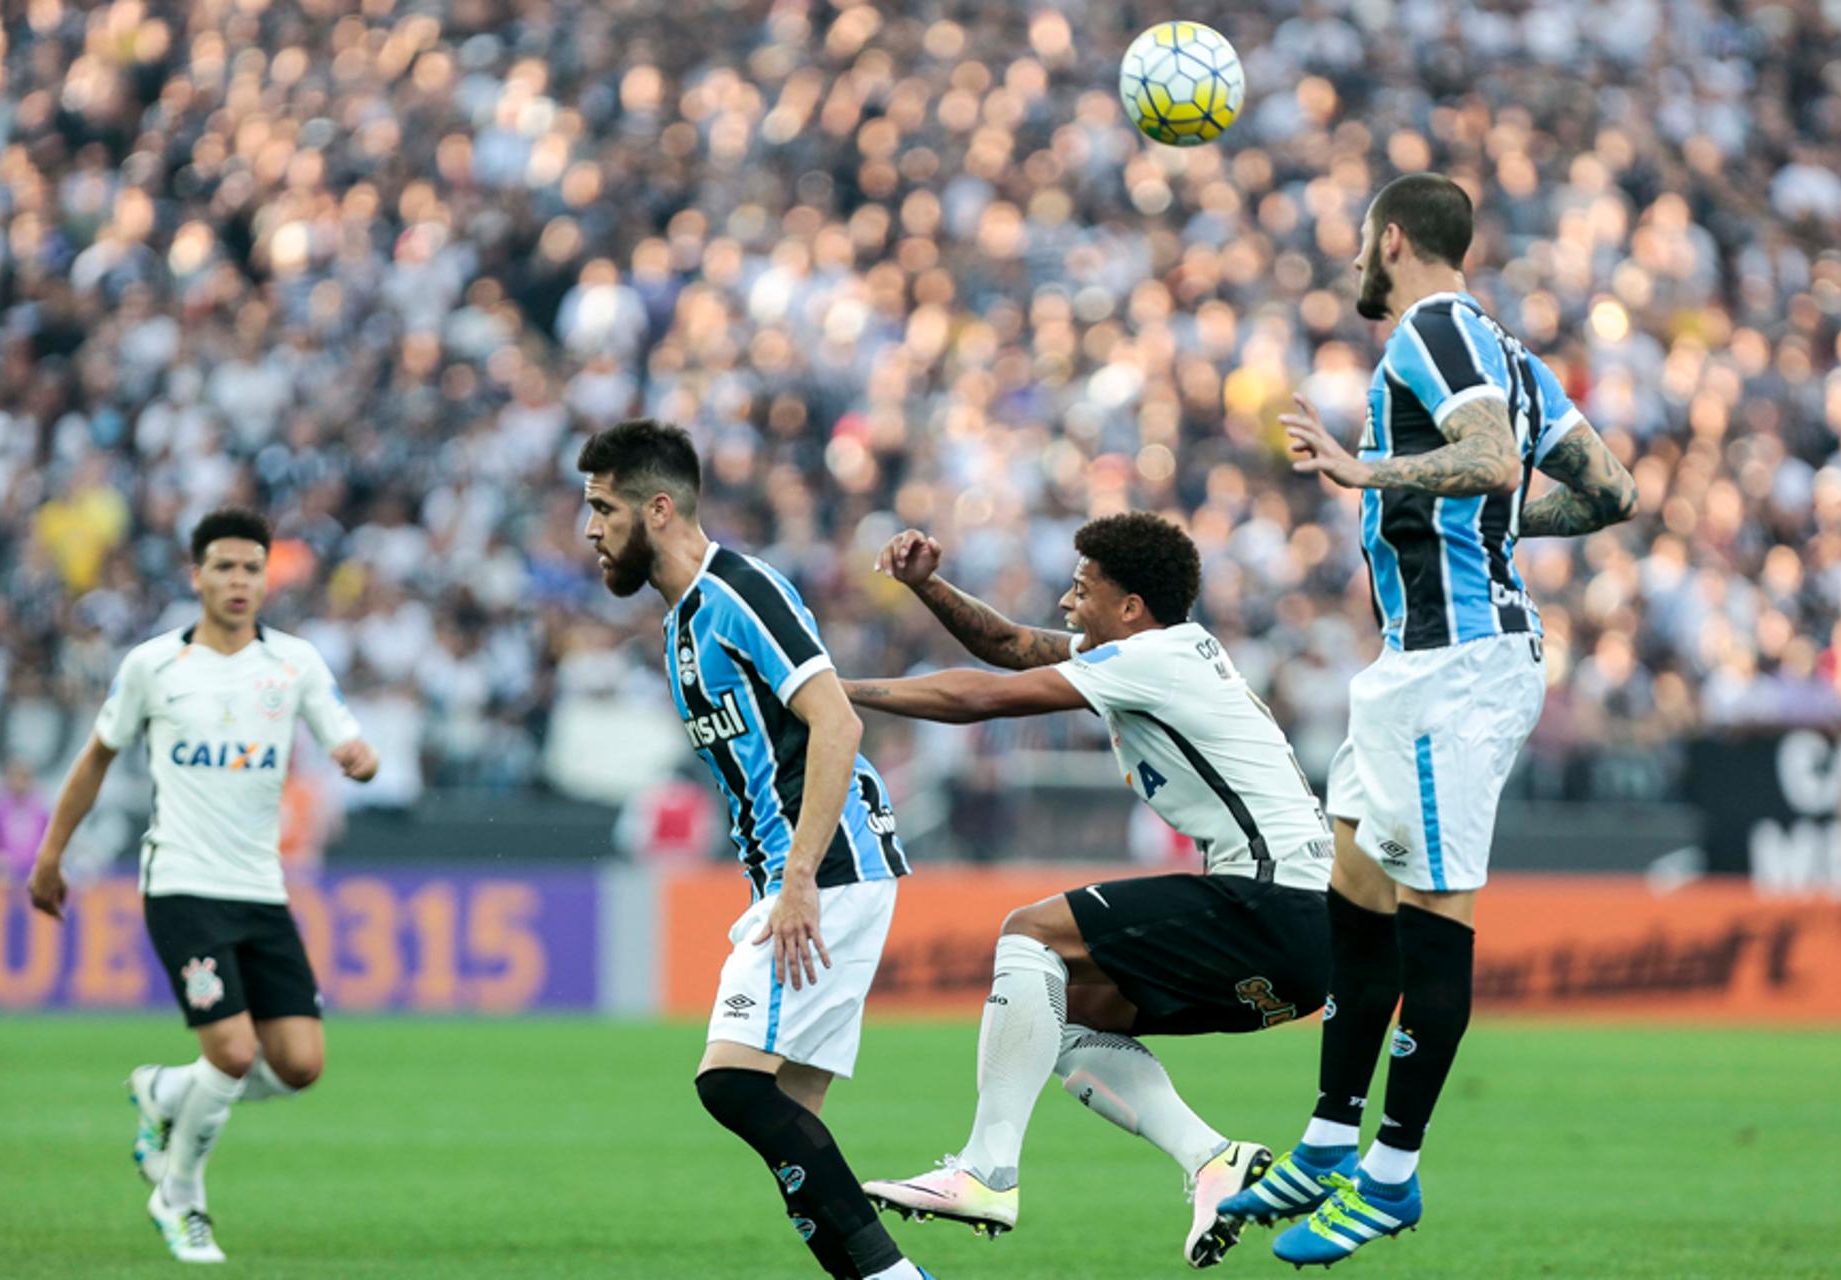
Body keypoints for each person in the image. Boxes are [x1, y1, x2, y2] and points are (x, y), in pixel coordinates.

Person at [1213, 172, 1637, 1267]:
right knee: (1356, 891)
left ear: (1391, 238)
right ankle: (1324, 1137)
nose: (1359, 256)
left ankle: (1391, 1171)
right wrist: (1485, 529)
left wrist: (1372, 472)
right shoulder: (1509, 349)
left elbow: (1493, 458)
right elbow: (1610, 492)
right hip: (1416, 665)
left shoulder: (1435, 329)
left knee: (1430, 915)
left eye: (1363, 239)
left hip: (1460, 670)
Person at [842, 514, 1335, 1270]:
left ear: (1131, 607)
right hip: (1302, 939)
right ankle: (1211, 1159)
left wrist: (828, 691)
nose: (1068, 605)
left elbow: (982, 696)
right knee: (1052, 1013)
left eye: (1082, 589)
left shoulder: (1154, 658)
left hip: (1270, 902)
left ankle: (985, 1171)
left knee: (1031, 931)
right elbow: (1006, 645)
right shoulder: (1156, 650)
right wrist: (926, 587)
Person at [576, 419, 932, 1280]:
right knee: (790, 1126)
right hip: (811, 872)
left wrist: (798, 877)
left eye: (602, 509)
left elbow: (837, 719)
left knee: (731, 1083)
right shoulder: (679, 624)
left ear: (657, 509)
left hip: (827, 867)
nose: (589, 530)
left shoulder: (739, 591)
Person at [26, 507, 380, 1264]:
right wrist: (51, 855)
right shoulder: (154, 666)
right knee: (230, 1048)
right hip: (182, 883)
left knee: (298, 1065)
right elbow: (96, 758)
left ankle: (163, 1093)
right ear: (197, 576)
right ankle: (179, 1195)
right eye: (224, 566)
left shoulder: (295, 664)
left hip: (261, 888)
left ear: (265, 576)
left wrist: (359, 759)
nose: (239, 580)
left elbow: (345, 737)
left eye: (252, 567)